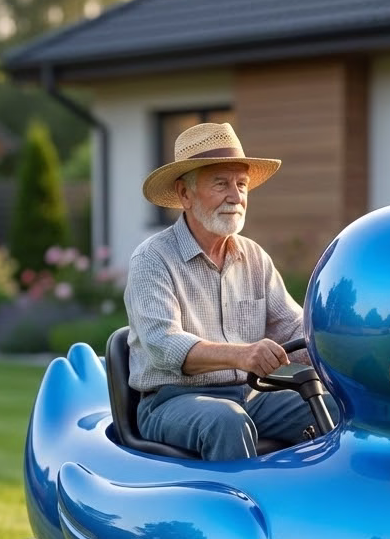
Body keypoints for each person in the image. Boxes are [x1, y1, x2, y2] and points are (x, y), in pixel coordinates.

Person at [125, 122, 331, 461]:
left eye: (242, 184)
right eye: (221, 184)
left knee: (335, 406)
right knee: (226, 421)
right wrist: (242, 355)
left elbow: (295, 329)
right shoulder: (152, 258)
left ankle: (320, 508)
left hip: (249, 396)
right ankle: (242, 513)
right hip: (171, 401)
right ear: (184, 194)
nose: (236, 196)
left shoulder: (253, 257)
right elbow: (163, 345)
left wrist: (344, 349)